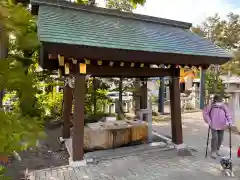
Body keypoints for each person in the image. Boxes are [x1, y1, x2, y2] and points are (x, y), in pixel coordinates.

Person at [203, 94, 232, 159]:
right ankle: (213, 151)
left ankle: (217, 149)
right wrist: (209, 121)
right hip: (213, 124)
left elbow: (228, 114)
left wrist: (229, 121)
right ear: (214, 100)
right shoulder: (210, 105)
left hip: (222, 124)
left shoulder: (224, 106)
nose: (219, 101)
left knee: (220, 138)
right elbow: (205, 113)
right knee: (215, 137)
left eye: (220, 100)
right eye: (217, 100)